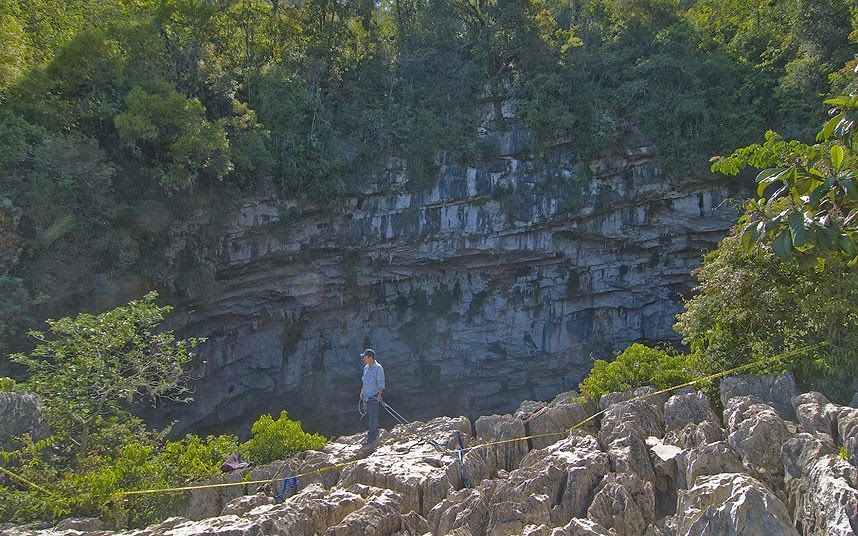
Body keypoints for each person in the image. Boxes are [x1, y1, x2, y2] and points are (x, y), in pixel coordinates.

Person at [359, 348, 385, 445]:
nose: (363, 359)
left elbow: (381, 383)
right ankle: (372, 433)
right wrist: (362, 392)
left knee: (373, 416)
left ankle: (373, 436)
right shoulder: (366, 368)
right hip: (366, 396)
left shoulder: (378, 368)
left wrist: (379, 395)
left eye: (365, 357)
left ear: (370, 357)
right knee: (369, 415)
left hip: (373, 396)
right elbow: (364, 381)